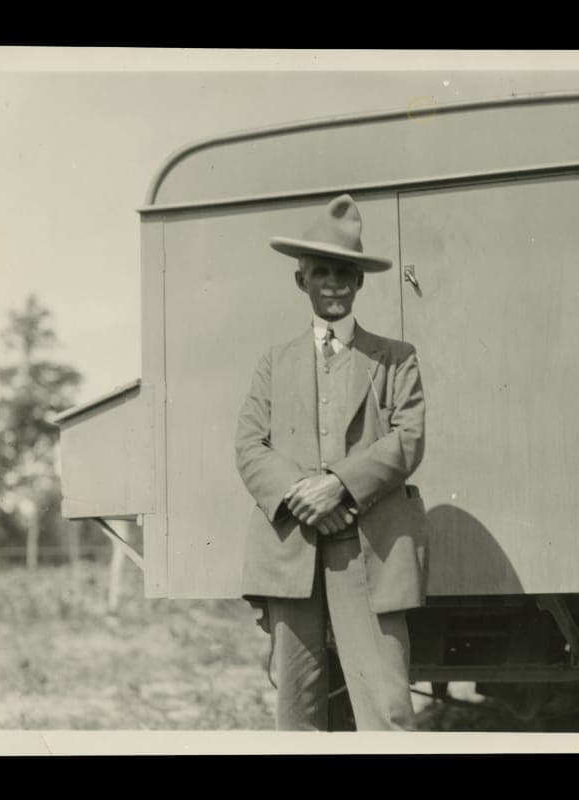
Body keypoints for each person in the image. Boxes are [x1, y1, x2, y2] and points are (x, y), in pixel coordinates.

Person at [235, 194, 427, 731]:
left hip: (371, 554)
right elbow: (249, 446)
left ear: (360, 281)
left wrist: (339, 486)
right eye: (322, 273)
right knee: (296, 712)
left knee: (386, 709)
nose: (334, 285)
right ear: (302, 281)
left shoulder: (395, 358)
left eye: (345, 274)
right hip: (292, 555)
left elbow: (408, 439)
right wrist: (307, 497)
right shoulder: (274, 362)